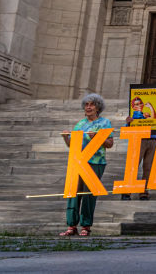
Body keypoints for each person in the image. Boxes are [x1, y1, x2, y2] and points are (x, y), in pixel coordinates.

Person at [59, 93, 113, 237]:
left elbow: (110, 144)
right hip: (78, 162)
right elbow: (71, 144)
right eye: (86, 105)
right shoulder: (80, 124)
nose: (88, 107)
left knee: (89, 194)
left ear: (98, 108)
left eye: (92, 104)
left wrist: (98, 138)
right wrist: (66, 137)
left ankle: (86, 226)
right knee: (73, 193)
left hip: (96, 162)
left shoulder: (105, 123)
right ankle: (71, 225)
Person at [122, 97, 156, 201]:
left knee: (148, 167)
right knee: (133, 166)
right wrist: (128, 122)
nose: (139, 105)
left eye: (140, 103)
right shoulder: (134, 113)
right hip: (138, 139)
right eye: (136, 104)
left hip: (152, 139)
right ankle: (127, 191)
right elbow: (127, 128)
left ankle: (144, 191)